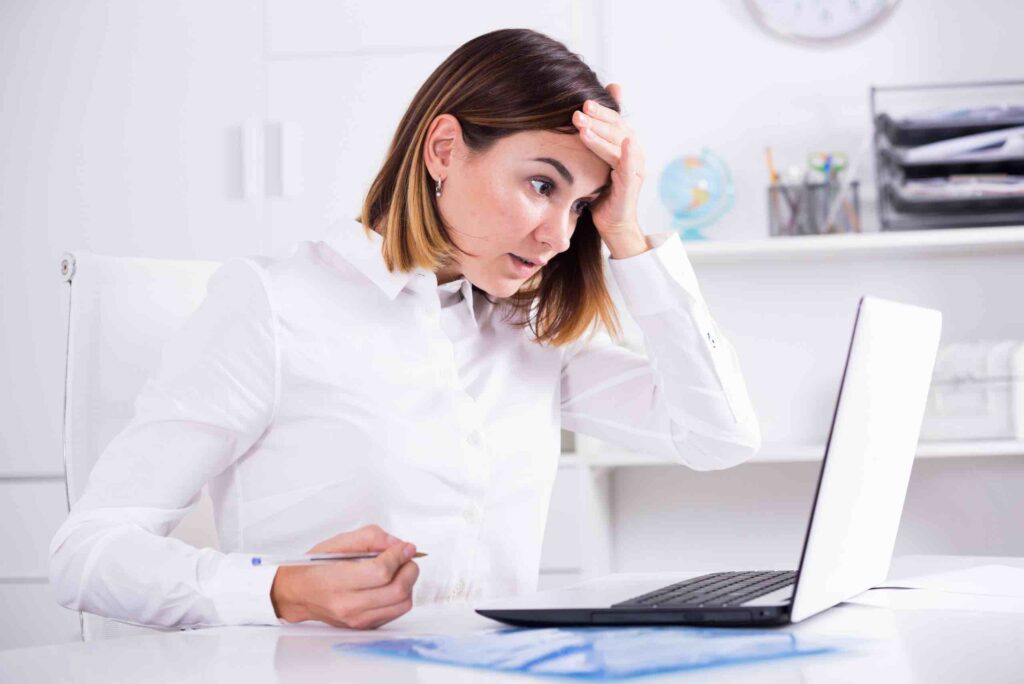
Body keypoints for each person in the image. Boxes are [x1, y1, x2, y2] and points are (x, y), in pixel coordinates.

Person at [49, 28, 761, 632]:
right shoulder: (275, 306)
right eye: (542, 185)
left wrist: (629, 234)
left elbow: (719, 435)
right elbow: (87, 551)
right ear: (444, 151)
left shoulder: (532, 330)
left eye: (581, 207)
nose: (556, 234)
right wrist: (276, 589)